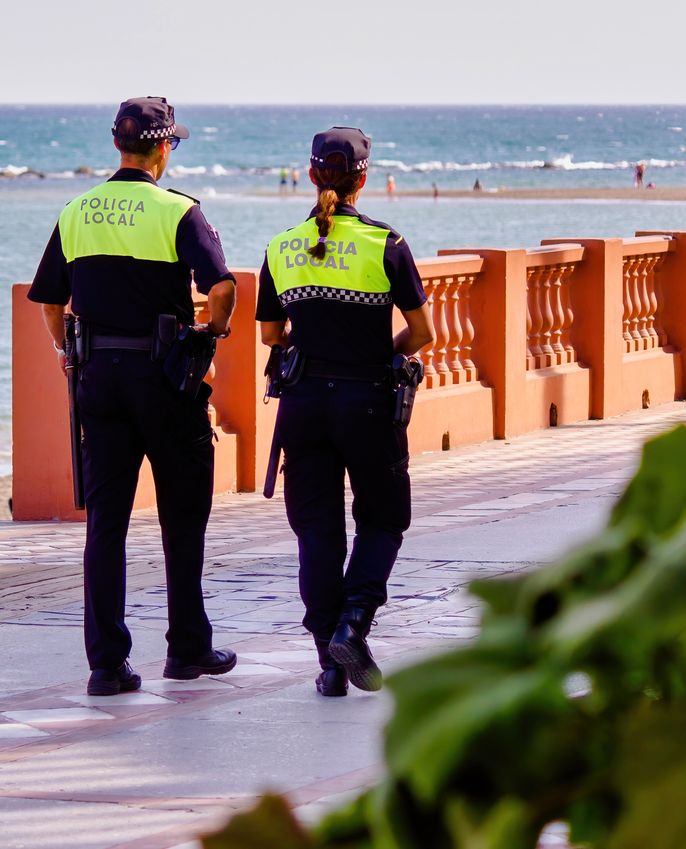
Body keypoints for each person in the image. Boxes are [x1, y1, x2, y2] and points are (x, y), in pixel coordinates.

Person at [28, 96, 239, 696]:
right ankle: (188, 649)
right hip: (165, 380)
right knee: (182, 517)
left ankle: (106, 665)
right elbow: (220, 290)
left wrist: (67, 350)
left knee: (106, 524)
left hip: (97, 379)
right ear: (165, 146)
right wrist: (209, 335)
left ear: (117, 144)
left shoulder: (77, 211)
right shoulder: (179, 211)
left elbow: (49, 301)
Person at [256, 127, 435, 697]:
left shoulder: (280, 247)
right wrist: (381, 355)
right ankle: (353, 624)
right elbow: (424, 333)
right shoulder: (388, 245)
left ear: (312, 176)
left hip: (304, 406)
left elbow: (269, 335)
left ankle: (329, 663)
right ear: (363, 178)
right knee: (383, 520)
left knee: (317, 532)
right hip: (368, 404)